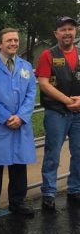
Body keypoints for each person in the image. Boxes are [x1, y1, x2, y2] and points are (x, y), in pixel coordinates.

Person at [0, 28, 36, 216]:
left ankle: (18, 201)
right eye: (9, 40)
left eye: (16, 40)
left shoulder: (26, 66)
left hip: (20, 122)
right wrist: (5, 117)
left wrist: (21, 116)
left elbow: (31, 94)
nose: (13, 43)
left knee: (19, 164)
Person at [35, 16, 80, 210]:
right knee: (52, 153)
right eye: (63, 29)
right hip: (56, 113)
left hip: (78, 114)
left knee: (78, 153)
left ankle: (75, 189)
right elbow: (43, 84)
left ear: (75, 32)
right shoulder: (48, 55)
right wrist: (68, 101)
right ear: (56, 33)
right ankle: (49, 192)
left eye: (71, 29)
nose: (67, 32)